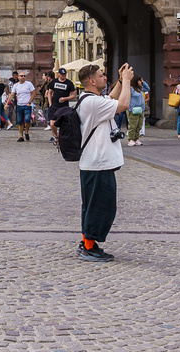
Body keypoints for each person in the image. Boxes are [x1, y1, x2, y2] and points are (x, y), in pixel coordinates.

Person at [74, 61, 134, 261]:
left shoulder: (92, 99)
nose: (104, 78)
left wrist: (119, 80)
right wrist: (126, 81)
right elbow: (123, 104)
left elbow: (111, 98)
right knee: (101, 207)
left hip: (96, 163)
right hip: (97, 164)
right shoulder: (92, 102)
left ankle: (88, 243)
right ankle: (89, 247)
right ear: (91, 81)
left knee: (94, 205)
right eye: (101, 76)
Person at [48, 68, 75, 146]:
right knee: (52, 123)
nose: (63, 76)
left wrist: (65, 98)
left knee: (63, 124)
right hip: (54, 106)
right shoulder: (54, 82)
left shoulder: (69, 83)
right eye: (62, 74)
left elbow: (73, 95)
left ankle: (62, 138)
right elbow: (49, 92)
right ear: (58, 74)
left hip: (64, 107)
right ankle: (56, 136)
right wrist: (50, 103)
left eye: (65, 74)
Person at [126, 74, 148, 145]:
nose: (140, 82)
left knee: (139, 125)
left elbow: (147, 88)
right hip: (133, 109)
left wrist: (143, 82)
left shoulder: (140, 88)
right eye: (139, 80)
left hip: (141, 109)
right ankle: (131, 139)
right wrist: (130, 107)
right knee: (133, 126)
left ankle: (136, 138)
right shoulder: (131, 88)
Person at [12, 73, 35, 142]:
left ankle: (26, 132)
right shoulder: (16, 85)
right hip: (19, 105)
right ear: (18, 77)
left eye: (24, 76)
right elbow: (12, 94)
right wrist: (7, 104)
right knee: (20, 122)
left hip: (27, 105)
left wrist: (30, 102)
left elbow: (33, 93)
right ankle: (21, 136)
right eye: (21, 76)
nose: (23, 77)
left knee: (27, 120)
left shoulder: (29, 84)